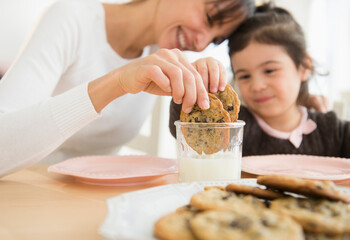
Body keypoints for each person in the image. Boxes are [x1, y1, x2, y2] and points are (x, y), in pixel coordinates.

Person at [0, 0, 256, 177]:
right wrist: (117, 83)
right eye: (209, 17)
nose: (201, 43)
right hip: (26, 191)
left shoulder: (164, 55)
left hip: (92, 198)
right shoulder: (73, 17)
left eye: (215, 39)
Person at [169, 4, 350, 159]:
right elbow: (184, 123)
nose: (257, 86)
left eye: (270, 70)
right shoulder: (235, 126)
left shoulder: (330, 130)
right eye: (244, 75)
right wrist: (192, 83)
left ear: (303, 67)